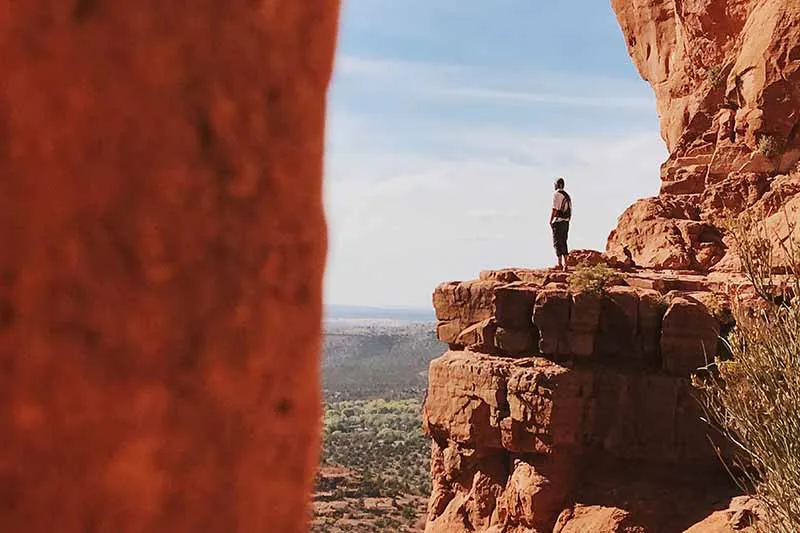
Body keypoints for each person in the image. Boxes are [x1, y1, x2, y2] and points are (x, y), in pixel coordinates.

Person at [549, 177, 572, 271]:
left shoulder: (556, 194)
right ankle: (566, 264)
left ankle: (559, 264)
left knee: (557, 242)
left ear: (557, 185)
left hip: (558, 221)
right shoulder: (567, 195)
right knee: (564, 241)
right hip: (566, 221)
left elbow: (555, 209)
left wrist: (550, 220)